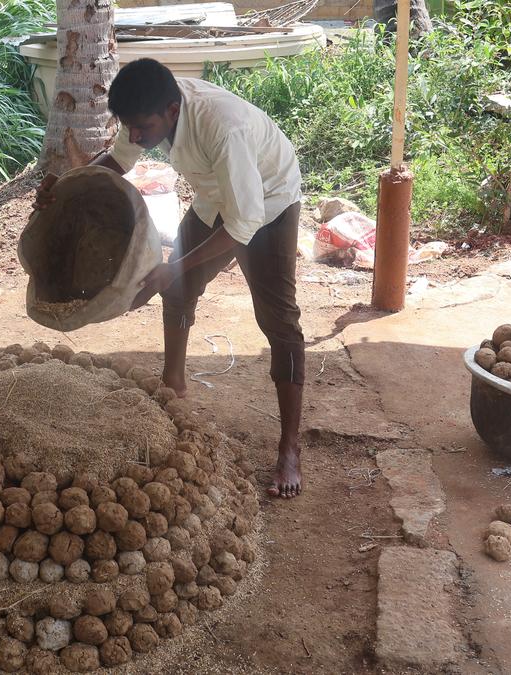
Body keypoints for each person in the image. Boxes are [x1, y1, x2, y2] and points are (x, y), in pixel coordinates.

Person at [32, 58, 306, 498]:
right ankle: (173, 384)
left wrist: (174, 264)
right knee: (178, 289)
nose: (136, 136)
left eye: (142, 128)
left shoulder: (223, 128)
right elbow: (119, 160)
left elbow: (241, 226)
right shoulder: (146, 105)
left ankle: (289, 448)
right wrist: (64, 186)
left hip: (267, 202)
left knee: (278, 318)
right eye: (129, 126)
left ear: (172, 111)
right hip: (215, 196)